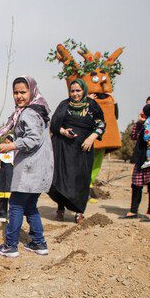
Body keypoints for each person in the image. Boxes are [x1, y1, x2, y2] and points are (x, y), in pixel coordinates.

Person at [0, 76, 53, 258]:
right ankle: (38, 243)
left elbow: (32, 139)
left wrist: (9, 146)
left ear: (32, 91)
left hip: (30, 167)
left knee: (17, 205)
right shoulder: (38, 110)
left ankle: (11, 245)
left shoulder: (28, 113)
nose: (19, 96)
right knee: (30, 206)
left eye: (23, 92)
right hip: (40, 167)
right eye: (16, 92)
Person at [48, 79, 105, 224]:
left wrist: (92, 138)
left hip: (83, 149)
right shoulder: (64, 105)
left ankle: (79, 212)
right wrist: (63, 131)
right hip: (63, 148)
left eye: (78, 90)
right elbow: (54, 124)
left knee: (81, 179)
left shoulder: (92, 105)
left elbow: (101, 123)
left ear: (83, 90)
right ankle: (60, 209)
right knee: (62, 179)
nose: (75, 94)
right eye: (72, 91)